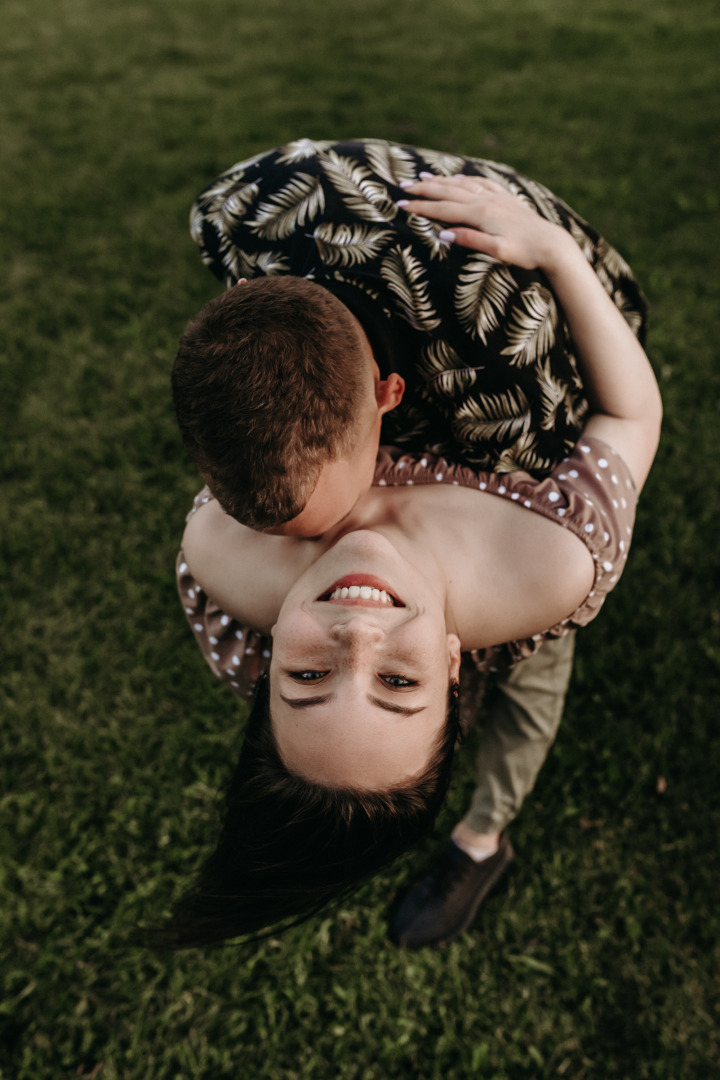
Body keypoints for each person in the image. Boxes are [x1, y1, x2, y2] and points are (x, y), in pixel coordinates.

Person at [155, 175, 661, 949]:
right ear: (451, 663)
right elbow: (630, 414)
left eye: (309, 678)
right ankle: (485, 838)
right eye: (398, 683)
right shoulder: (551, 565)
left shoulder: (225, 552)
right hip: (507, 590)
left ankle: (477, 835)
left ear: (263, 653)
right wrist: (556, 254)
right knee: (525, 713)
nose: (358, 636)